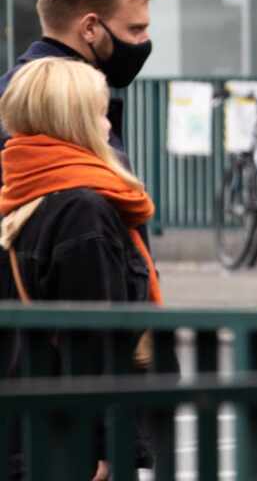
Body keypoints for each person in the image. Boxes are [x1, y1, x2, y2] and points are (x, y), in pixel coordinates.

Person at [0, 57, 163, 480]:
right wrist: (109, 448)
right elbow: (94, 340)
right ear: (75, 122)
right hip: (64, 442)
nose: (108, 126)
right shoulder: (80, 211)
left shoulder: (16, 195)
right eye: (99, 113)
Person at [0, 0, 158, 173]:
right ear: (90, 28)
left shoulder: (23, 96)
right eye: (135, 29)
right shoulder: (43, 107)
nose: (144, 40)